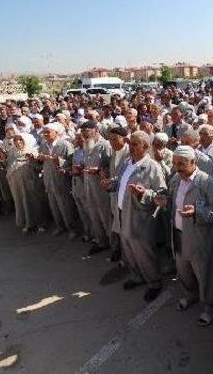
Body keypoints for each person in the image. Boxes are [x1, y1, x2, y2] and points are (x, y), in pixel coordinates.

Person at [161, 145, 213, 326]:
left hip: (199, 238)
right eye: (174, 163)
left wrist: (198, 211)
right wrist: (164, 200)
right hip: (178, 234)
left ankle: (210, 306)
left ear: (193, 162)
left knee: (204, 274)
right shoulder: (175, 180)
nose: (177, 167)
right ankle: (190, 295)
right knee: (183, 270)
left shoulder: (207, 182)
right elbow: (171, 199)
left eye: (181, 164)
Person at [115, 131, 167, 302]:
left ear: (146, 147)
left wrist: (144, 193)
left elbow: (161, 194)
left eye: (135, 144)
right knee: (128, 246)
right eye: (130, 143)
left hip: (141, 216)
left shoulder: (153, 166)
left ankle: (154, 282)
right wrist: (111, 183)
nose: (131, 147)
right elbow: (121, 180)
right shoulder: (127, 162)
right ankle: (137, 276)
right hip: (124, 211)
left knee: (143, 250)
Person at [38, 122, 79, 238]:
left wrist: (57, 161)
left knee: (65, 205)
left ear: (56, 133)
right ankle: (60, 226)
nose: (45, 134)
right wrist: (39, 158)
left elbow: (71, 162)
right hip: (49, 180)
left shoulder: (65, 144)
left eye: (48, 132)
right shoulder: (43, 145)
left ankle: (72, 228)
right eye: (44, 132)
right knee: (54, 205)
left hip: (61, 180)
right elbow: (40, 161)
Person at [5, 133, 47, 234]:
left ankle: (40, 224)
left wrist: (32, 160)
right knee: (21, 202)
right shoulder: (12, 152)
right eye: (15, 140)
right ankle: (28, 224)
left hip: (30, 181)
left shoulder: (32, 151)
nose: (18, 142)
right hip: (16, 183)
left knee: (34, 202)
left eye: (20, 140)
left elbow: (39, 168)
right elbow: (8, 165)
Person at [81, 120, 113, 253]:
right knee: (94, 214)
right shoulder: (86, 144)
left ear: (96, 130)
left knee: (105, 216)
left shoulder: (105, 145)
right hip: (89, 185)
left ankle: (114, 245)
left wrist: (99, 170)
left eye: (87, 131)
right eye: (83, 132)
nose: (85, 134)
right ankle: (101, 241)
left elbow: (112, 166)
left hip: (101, 187)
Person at [103, 125, 130, 262]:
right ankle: (118, 251)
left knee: (125, 227)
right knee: (117, 224)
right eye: (110, 139)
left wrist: (112, 180)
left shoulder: (129, 154)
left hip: (125, 197)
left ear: (124, 139)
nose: (112, 142)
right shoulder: (113, 152)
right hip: (114, 194)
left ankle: (126, 257)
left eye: (115, 139)